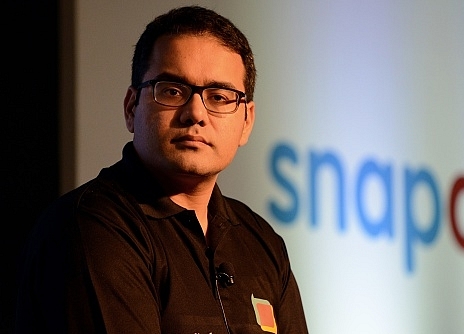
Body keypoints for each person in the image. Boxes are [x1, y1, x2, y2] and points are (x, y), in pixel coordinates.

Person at [15, 5, 308, 334]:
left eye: (219, 96)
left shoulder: (262, 244)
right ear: (131, 108)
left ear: (246, 121)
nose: (195, 113)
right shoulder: (92, 228)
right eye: (172, 91)